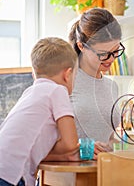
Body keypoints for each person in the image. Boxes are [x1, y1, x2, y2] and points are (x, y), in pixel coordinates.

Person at [0, 37, 79, 186]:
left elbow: (31, 148)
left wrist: (61, 156)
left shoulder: (29, 93)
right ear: (67, 74)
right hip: (11, 177)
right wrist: (74, 152)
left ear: (33, 74)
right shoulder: (57, 90)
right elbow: (71, 144)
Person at [69, 8, 123, 154]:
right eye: (103, 54)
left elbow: (109, 138)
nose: (111, 59)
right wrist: (84, 150)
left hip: (103, 171)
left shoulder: (112, 86)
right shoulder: (66, 82)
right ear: (82, 46)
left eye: (116, 51)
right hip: (70, 172)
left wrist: (118, 145)